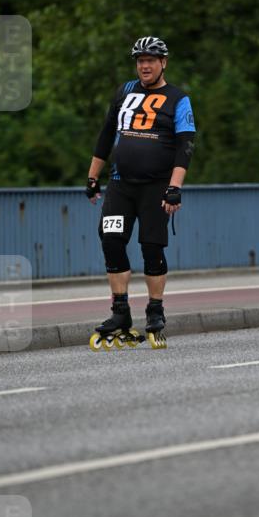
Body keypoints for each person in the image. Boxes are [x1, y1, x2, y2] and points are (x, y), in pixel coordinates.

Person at [85, 36, 196, 349]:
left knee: (151, 246)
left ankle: (155, 310)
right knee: (111, 239)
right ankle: (120, 313)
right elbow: (107, 134)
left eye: (151, 60)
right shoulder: (124, 91)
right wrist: (93, 177)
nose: (144, 65)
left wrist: (175, 187)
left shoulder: (178, 99)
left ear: (163, 63)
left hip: (156, 187)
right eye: (140, 60)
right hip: (120, 184)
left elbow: (185, 146)